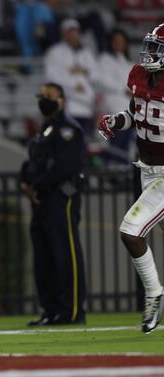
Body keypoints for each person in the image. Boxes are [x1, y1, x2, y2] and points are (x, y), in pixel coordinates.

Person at [98, 23, 164, 334]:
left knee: (130, 230)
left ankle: (154, 295)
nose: (150, 53)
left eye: (157, 48)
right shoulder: (139, 75)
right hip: (146, 171)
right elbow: (136, 114)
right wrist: (115, 120)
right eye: (150, 47)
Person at [20, 82, 87, 326]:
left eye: (50, 96)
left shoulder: (68, 129)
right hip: (42, 200)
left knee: (64, 254)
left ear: (62, 100)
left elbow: (65, 166)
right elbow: (32, 163)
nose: (45, 99)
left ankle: (71, 310)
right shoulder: (44, 130)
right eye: (42, 95)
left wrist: (35, 184)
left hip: (62, 197)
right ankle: (50, 310)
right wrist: (24, 181)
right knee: (44, 257)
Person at [44, 18, 98, 138]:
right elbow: (51, 78)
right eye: (69, 31)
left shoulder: (86, 53)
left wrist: (84, 71)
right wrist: (72, 84)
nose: (73, 34)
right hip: (67, 107)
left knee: (82, 141)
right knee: (67, 140)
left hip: (86, 108)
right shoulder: (54, 52)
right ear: (63, 33)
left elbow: (96, 75)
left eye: (75, 31)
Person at [97, 29, 134, 164]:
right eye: (116, 41)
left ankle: (121, 178)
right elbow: (102, 80)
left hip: (129, 111)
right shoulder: (104, 59)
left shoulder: (129, 63)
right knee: (114, 147)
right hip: (113, 110)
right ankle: (110, 175)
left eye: (122, 42)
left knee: (124, 147)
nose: (119, 44)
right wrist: (123, 89)